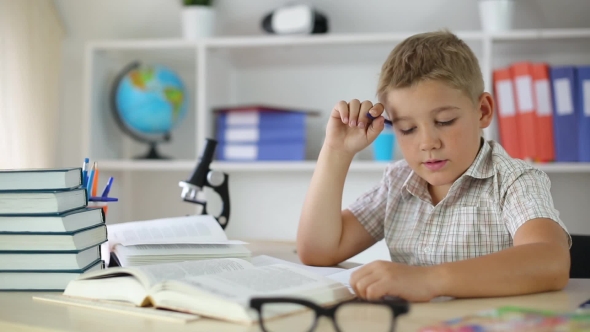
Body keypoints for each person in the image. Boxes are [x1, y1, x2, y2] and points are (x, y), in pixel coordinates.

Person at [296, 30, 571, 302]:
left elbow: (551, 260)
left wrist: (430, 280)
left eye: (445, 121)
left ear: (483, 111)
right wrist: (336, 152)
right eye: (407, 128)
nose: (427, 143)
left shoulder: (513, 180)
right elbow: (318, 251)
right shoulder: (398, 183)